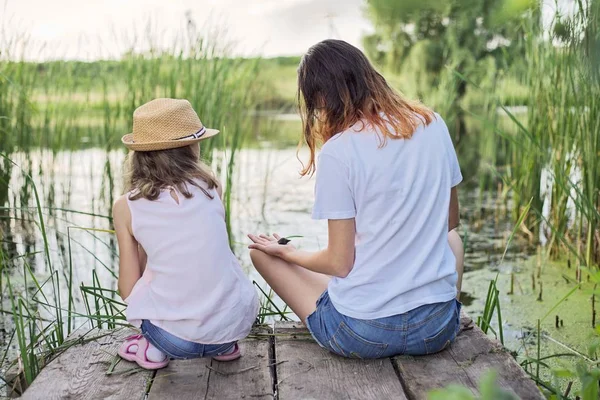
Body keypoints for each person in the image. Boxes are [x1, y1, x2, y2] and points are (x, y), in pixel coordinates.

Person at [248, 40, 465, 359]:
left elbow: (339, 263)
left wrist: (291, 253)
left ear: (321, 99)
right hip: (436, 330)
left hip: (363, 335)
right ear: (368, 75)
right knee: (454, 240)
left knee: (261, 254)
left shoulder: (339, 151)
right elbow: (451, 221)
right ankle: (441, 310)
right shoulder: (432, 122)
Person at [113, 98, 259, 369]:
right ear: (192, 147)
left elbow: (127, 289)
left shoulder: (126, 207)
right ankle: (224, 346)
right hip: (235, 325)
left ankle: (151, 350)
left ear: (140, 153)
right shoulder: (211, 188)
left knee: (148, 295)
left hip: (175, 342)